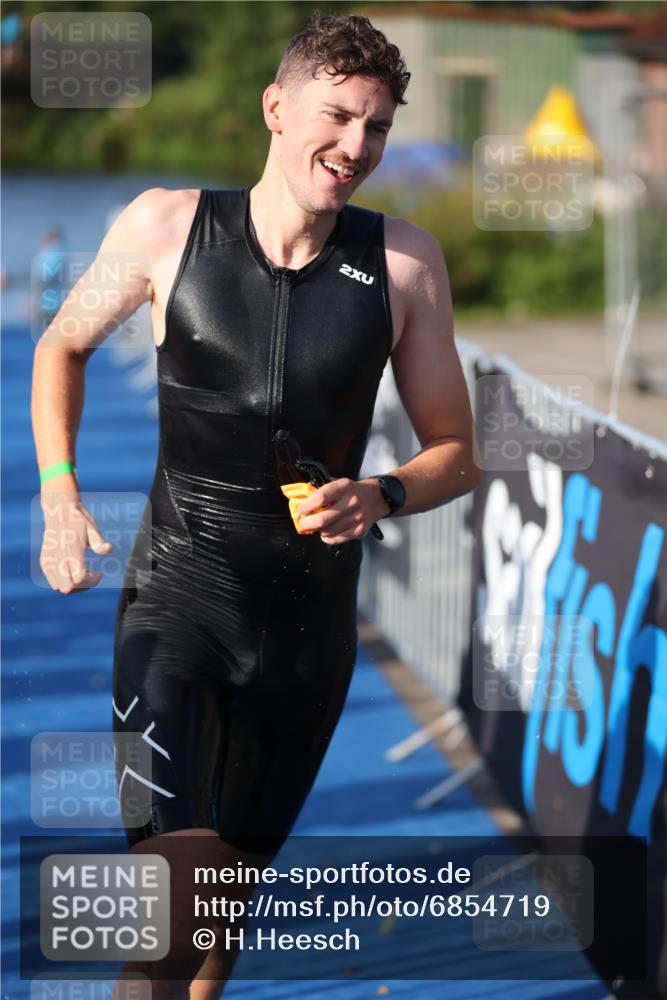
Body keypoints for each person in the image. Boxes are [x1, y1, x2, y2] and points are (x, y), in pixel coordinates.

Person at [31, 12, 480, 999]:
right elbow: (58, 345)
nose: (355, 147)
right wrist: (59, 496)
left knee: (218, 919)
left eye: (376, 129)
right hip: (175, 598)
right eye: (337, 117)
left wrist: (383, 491)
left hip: (306, 632)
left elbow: (458, 454)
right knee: (168, 910)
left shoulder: (402, 263)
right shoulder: (165, 224)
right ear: (276, 109)